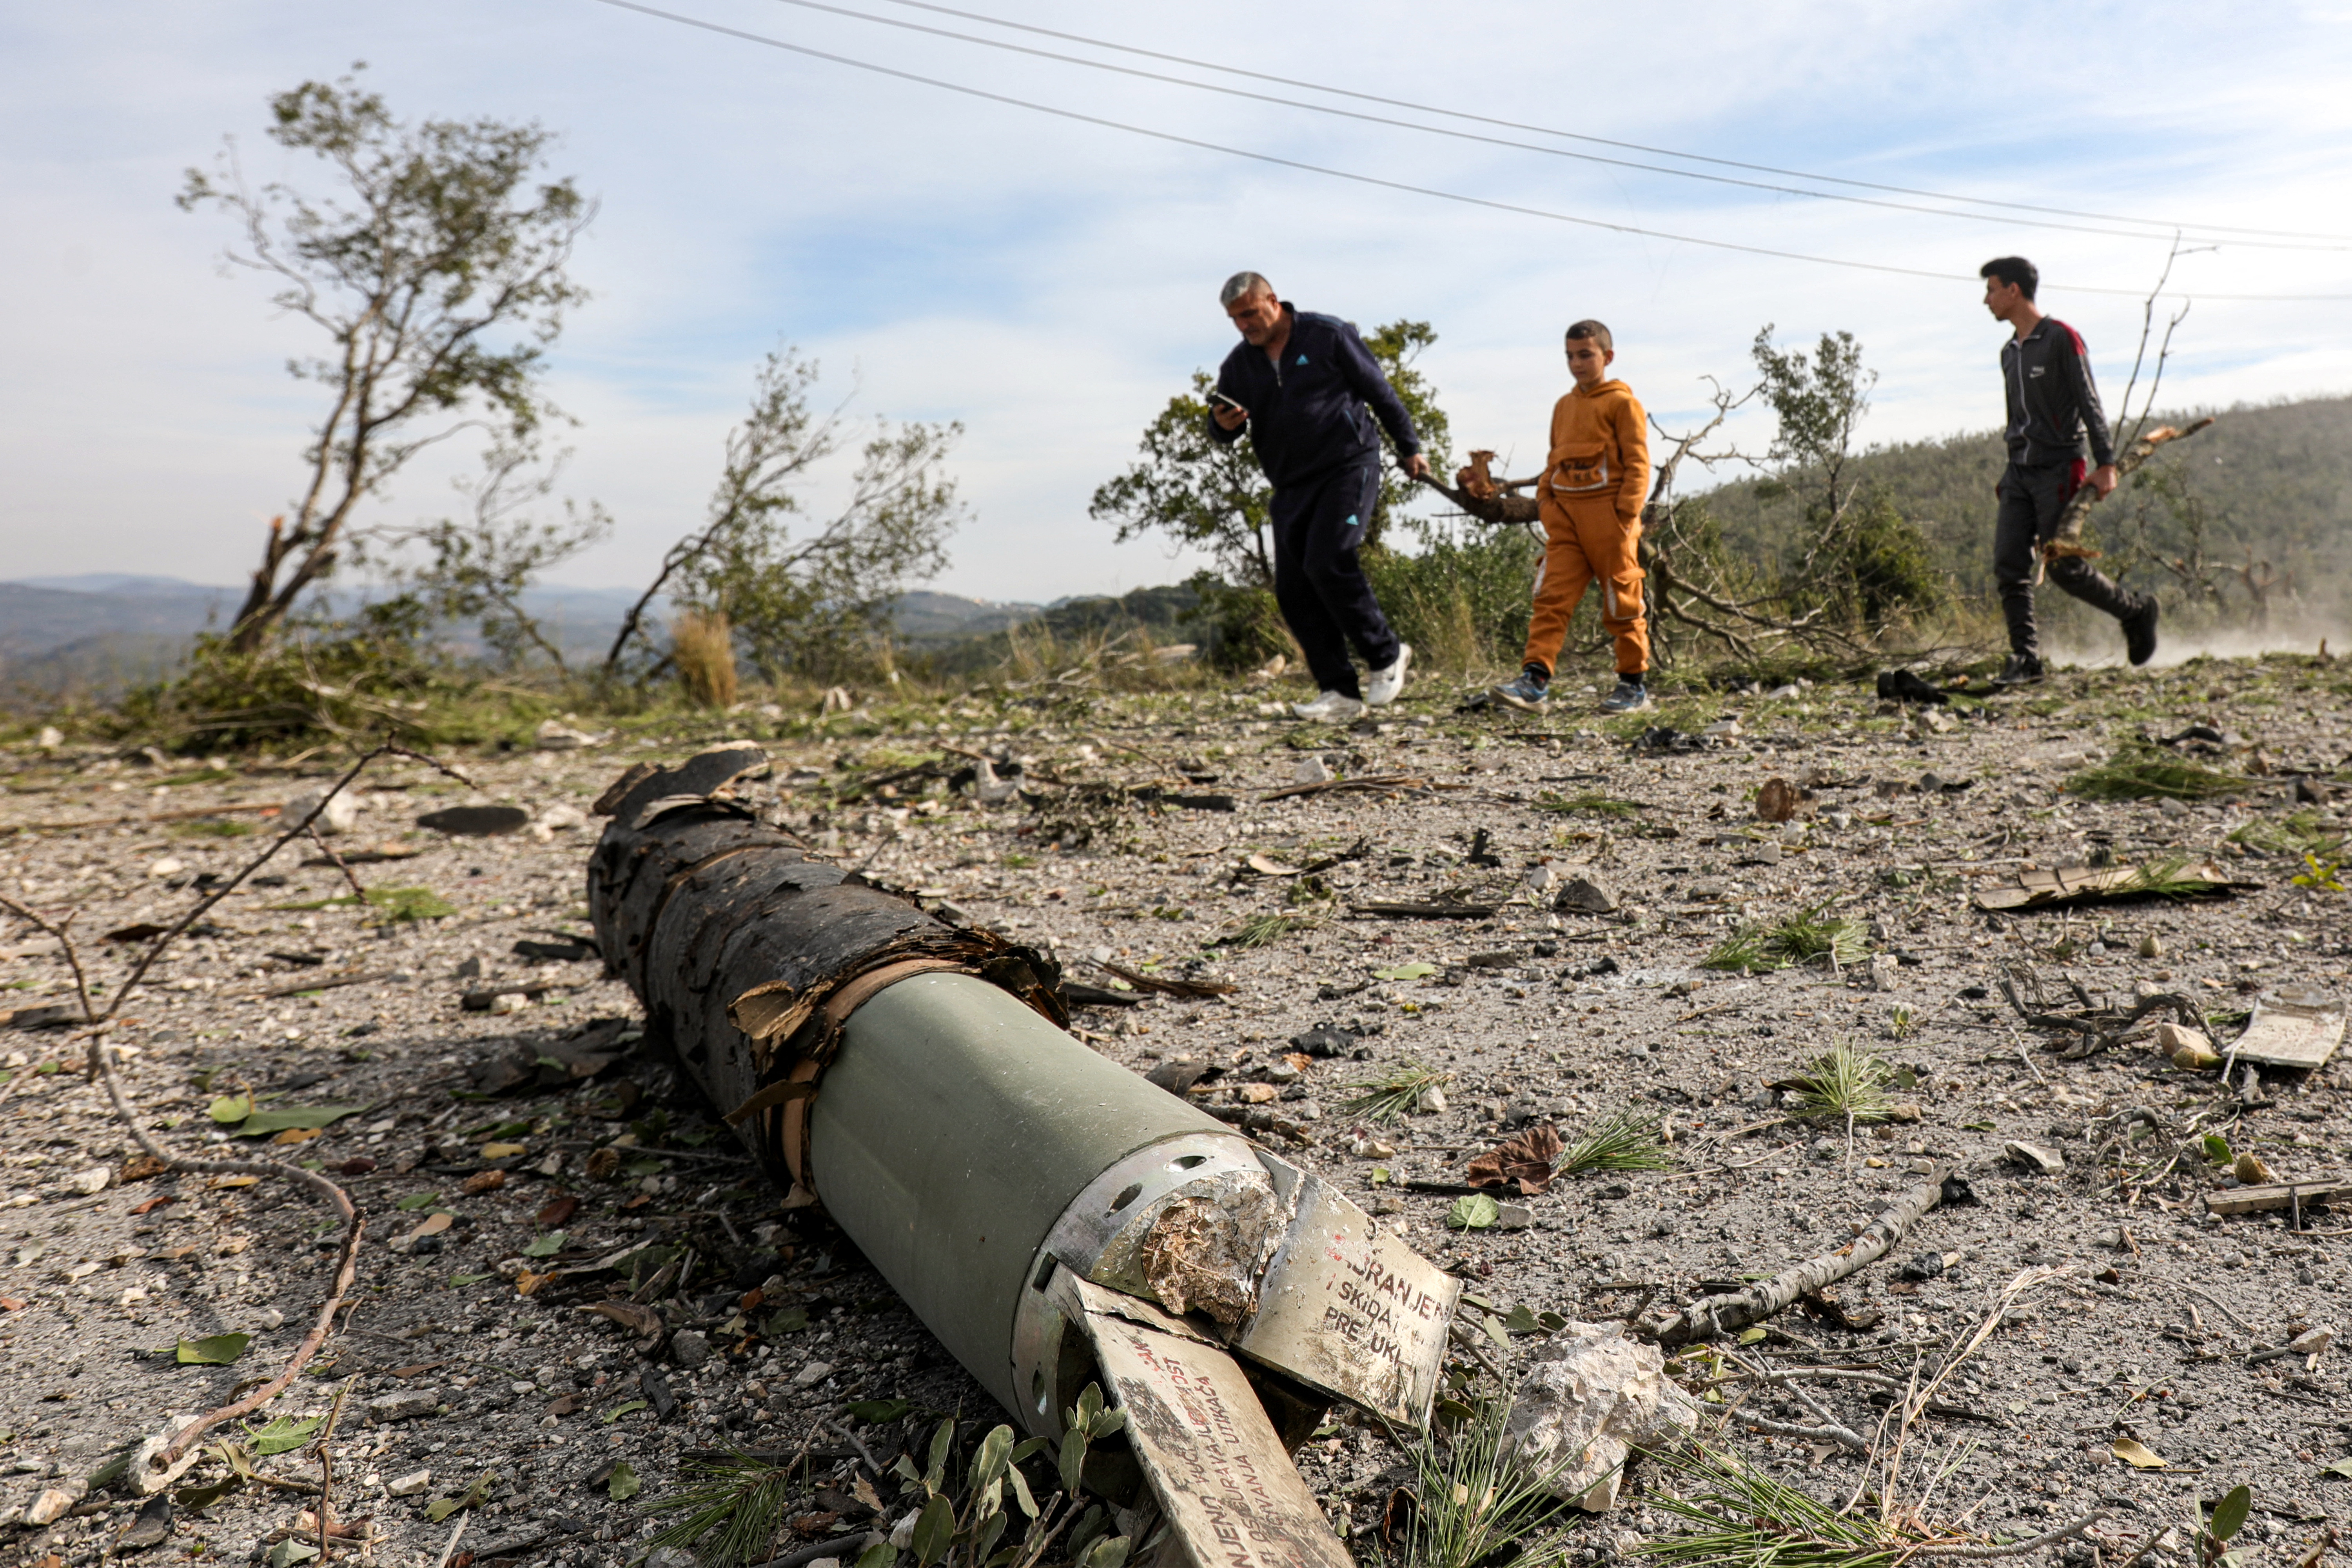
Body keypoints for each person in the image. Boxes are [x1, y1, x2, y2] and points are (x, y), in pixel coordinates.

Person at [1207, 272, 1426, 722]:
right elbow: (1222, 426)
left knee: (1330, 559)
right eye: (1235, 319)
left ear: (1273, 299)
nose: (1245, 325)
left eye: (1250, 313)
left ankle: (1387, 655)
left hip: (1348, 465)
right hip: (1291, 484)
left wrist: (1410, 447)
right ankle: (1338, 692)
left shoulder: (1328, 335)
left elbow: (1379, 391)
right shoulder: (1239, 366)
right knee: (1293, 589)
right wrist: (1222, 425)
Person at [1980, 256, 2159, 684]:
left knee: (2063, 567)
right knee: (2008, 564)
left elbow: (2088, 400)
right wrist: (2009, 474)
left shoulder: (2062, 338)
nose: (1986, 300)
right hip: (2020, 474)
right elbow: (2016, 419)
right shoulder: (2009, 353)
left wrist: (2107, 464)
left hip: (2060, 467)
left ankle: (2136, 612)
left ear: (2014, 291)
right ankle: (2026, 660)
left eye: (1991, 290)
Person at [1493, 321, 1652, 714]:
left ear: (1607, 357)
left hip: (1609, 521)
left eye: (1586, 355)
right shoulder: (1563, 406)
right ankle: (1534, 683)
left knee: (1622, 600)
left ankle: (1633, 687)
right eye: (1570, 356)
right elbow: (1554, 460)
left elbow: (1638, 465)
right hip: (1565, 522)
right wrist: (1546, 502)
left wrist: (1625, 516)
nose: (1577, 364)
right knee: (1551, 597)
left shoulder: (1623, 404)